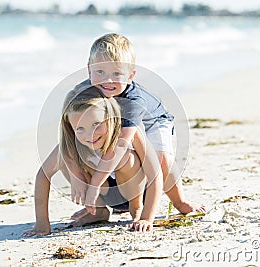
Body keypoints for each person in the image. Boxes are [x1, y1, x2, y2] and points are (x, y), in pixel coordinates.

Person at [71, 33, 205, 223]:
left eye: (116, 74)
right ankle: (99, 209)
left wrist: (94, 185)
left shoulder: (134, 101)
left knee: (161, 161)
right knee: (85, 151)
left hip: (154, 122)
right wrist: (77, 175)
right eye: (100, 71)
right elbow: (69, 131)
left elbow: (120, 145)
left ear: (131, 75)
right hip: (115, 120)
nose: (107, 80)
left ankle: (180, 201)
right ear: (89, 69)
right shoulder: (84, 93)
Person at [23, 87, 161, 236]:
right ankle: (98, 210)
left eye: (96, 124)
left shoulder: (128, 133)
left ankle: (136, 209)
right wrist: (42, 222)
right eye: (80, 129)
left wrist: (147, 218)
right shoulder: (72, 143)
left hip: (136, 192)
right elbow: (43, 174)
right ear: (71, 127)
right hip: (102, 194)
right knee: (65, 158)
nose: (91, 135)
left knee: (126, 158)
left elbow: (155, 174)